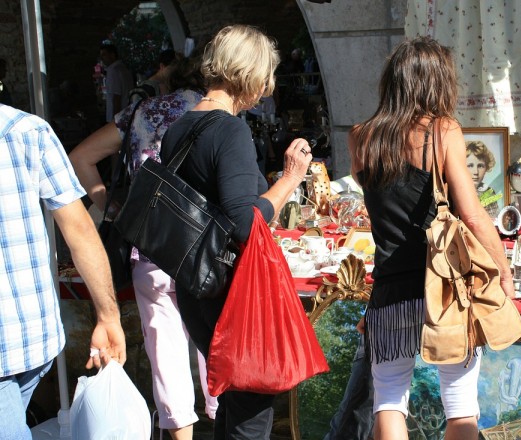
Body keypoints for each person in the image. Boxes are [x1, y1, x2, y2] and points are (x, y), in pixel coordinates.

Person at [347, 36, 515, 440]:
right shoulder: (443, 130)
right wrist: (503, 270)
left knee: (388, 400)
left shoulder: (361, 137)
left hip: (388, 288)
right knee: (460, 405)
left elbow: (378, 195)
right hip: (444, 287)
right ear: (437, 82)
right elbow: (472, 214)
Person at [160, 25, 313, 439]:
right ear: (250, 74)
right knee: (251, 406)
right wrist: (289, 179)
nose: (269, 87)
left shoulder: (180, 127)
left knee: (233, 397)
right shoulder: (229, 130)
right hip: (231, 292)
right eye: (267, 75)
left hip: (195, 286)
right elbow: (245, 221)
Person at [69, 55, 218, 440]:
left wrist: (115, 211)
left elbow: (80, 158)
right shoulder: (215, 113)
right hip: (205, 249)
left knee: (166, 360)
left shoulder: (140, 113)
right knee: (215, 351)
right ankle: (222, 426)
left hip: (151, 249)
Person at [0, 103, 126, 438]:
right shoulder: (28, 130)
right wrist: (108, 316)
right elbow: (80, 231)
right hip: (33, 335)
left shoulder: (30, 131)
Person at [99, 43, 135, 123]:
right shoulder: (124, 69)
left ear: (112, 55)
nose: (102, 58)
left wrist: (115, 121)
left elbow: (116, 97)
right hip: (128, 114)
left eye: (104, 55)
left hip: (119, 118)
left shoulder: (113, 71)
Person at [466, 140, 501, 219]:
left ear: (486, 168)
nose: (476, 172)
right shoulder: (456, 190)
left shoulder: (489, 192)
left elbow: (494, 218)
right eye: (470, 165)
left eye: (480, 166)